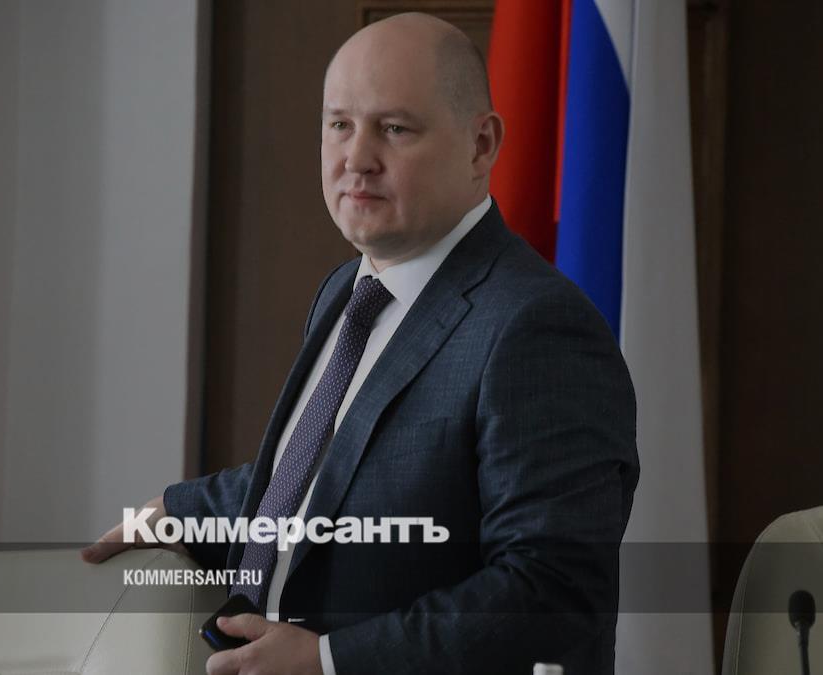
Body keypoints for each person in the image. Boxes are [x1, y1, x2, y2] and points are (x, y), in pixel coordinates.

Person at [82, 12, 638, 675]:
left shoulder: (536, 325)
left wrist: (329, 659)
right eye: (339, 125)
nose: (356, 159)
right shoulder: (347, 290)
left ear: (481, 144)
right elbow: (331, 474)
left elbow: (553, 588)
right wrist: (179, 510)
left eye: (395, 128)